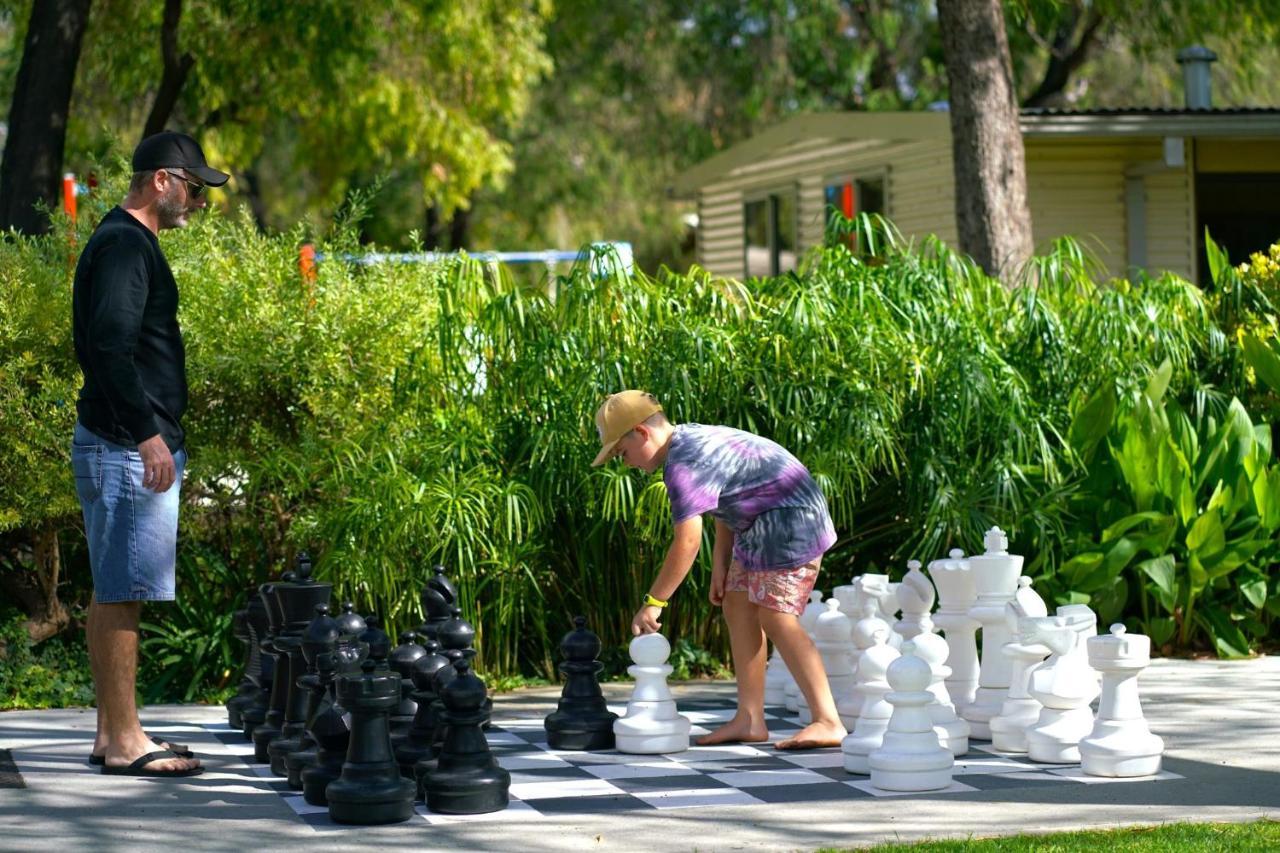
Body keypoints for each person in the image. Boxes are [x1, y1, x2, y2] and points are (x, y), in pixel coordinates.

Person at [71, 131, 229, 777]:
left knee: (114, 589)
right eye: (193, 188)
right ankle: (128, 740)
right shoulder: (122, 246)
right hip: (123, 446)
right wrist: (146, 432)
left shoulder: (125, 242)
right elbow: (108, 347)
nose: (196, 201)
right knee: (123, 593)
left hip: (120, 442)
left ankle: (115, 732)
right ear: (160, 180)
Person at [592, 390, 846, 749]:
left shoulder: (683, 464)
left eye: (623, 452)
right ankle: (750, 718)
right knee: (737, 602)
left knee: (776, 616)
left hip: (792, 519)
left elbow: (687, 543)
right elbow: (726, 498)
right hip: (759, 522)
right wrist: (721, 564)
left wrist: (654, 601)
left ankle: (827, 720)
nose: (627, 463)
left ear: (642, 432)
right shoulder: (686, 441)